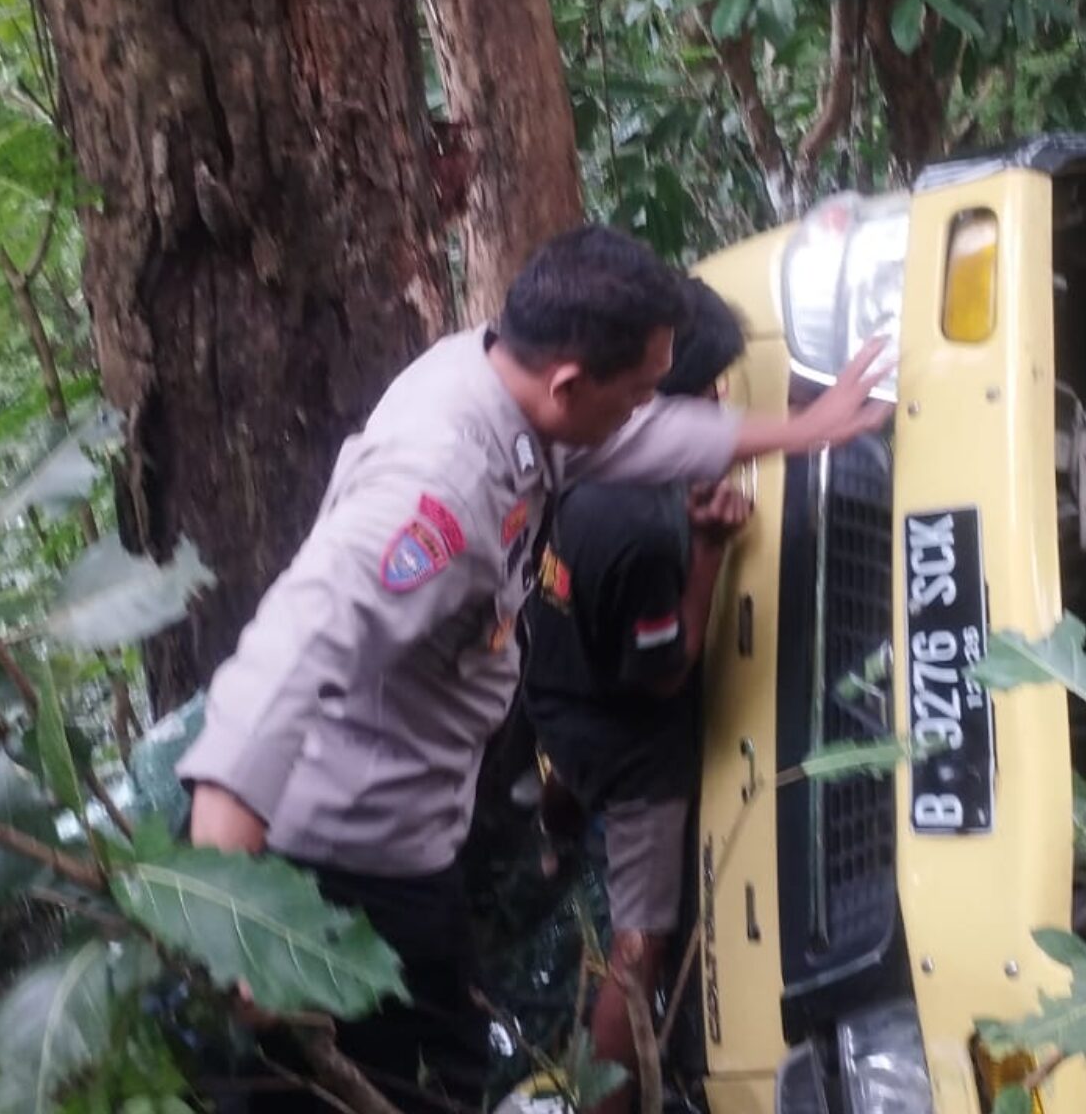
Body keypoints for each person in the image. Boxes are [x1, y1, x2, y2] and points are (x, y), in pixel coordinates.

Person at [176, 226, 889, 1112]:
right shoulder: (433, 495)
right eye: (633, 393)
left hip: (417, 840)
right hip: (333, 873)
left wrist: (802, 429)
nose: (642, 410)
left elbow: (639, 437)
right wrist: (229, 918)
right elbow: (274, 673)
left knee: (445, 1068)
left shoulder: (504, 385)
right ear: (570, 383)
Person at [521, 279, 748, 1114]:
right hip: (630, 748)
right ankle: (604, 1100)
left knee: (566, 776)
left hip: (557, 694)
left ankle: (553, 839)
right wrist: (711, 552)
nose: (724, 398)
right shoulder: (651, 534)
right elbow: (670, 671)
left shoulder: (578, 452)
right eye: (710, 386)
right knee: (642, 940)